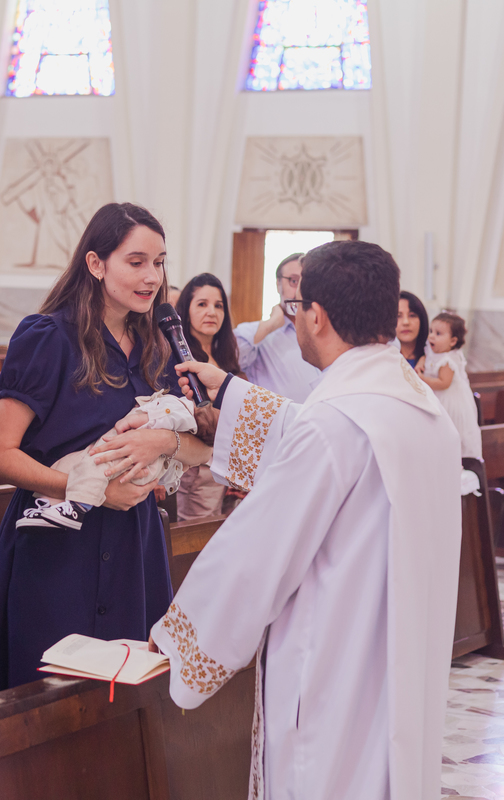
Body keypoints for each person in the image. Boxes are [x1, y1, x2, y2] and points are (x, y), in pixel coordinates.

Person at [153, 240, 461, 800]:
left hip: (334, 670)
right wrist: (233, 394)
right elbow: (321, 438)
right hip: (398, 660)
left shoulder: (336, 423)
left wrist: (180, 639)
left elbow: (256, 556)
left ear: (315, 316)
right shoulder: (418, 406)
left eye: (296, 309)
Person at [0, 202, 211, 695]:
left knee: (126, 696)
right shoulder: (48, 338)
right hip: (59, 545)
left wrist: (162, 440)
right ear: (96, 263)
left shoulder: (160, 346)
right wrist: (89, 488)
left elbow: (201, 451)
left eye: (159, 262)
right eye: (136, 261)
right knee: (49, 695)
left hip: (134, 547)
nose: (152, 277)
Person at [19, 390, 198, 530]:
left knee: (98, 463)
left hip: (129, 463)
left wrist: (162, 439)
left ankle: (78, 505)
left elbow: (203, 450)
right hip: (127, 456)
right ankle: (49, 507)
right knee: (70, 464)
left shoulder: (183, 407)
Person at [175, 272, 242, 520]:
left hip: (232, 466)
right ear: (186, 311)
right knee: (199, 538)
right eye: (202, 304)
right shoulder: (179, 358)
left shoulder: (226, 355)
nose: (211, 312)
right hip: (198, 468)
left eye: (218, 305)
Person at [234, 252, 321, 402]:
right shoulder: (257, 333)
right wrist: (272, 323)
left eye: (306, 282)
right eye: (294, 281)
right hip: (280, 416)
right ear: (278, 285)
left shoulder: (323, 330)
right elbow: (230, 358)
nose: (300, 290)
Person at [418, 312, 482, 459]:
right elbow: (426, 356)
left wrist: (422, 379)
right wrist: (421, 362)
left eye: (438, 333)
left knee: (448, 431)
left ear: (453, 341)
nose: (431, 336)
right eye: (431, 331)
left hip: (449, 403)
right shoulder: (434, 350)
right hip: (437, 398)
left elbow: (443, 383)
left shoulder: (448, 360)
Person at [396, 290, 428, 369]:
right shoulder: (383, 358)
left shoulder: (433, 359)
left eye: (412, 315)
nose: (406, 322)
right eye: (398, 316)